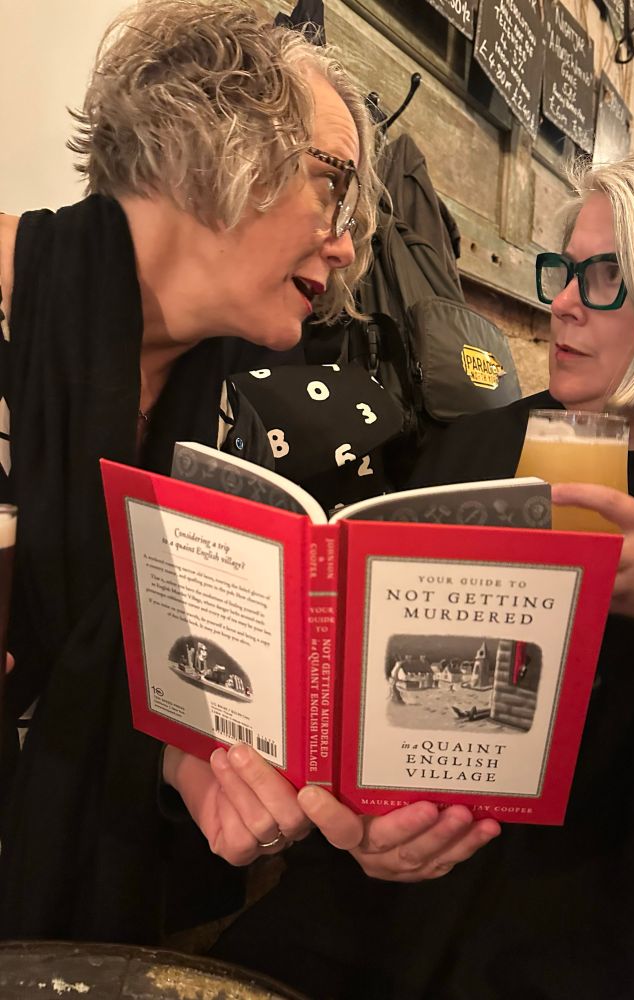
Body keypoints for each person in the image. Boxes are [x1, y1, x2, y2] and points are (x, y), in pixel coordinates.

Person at [0, 0, 497, 946]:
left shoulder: (221, 409)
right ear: (209, 144)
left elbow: (132, 684)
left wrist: (199, 774)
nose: (349, 244)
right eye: (334, 187)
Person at [212, 150, 634, 998]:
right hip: (412, 894)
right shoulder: (477, 447)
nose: (563, 302)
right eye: (565, 271)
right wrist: (361, 825)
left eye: (604, 274)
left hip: (628, 919)